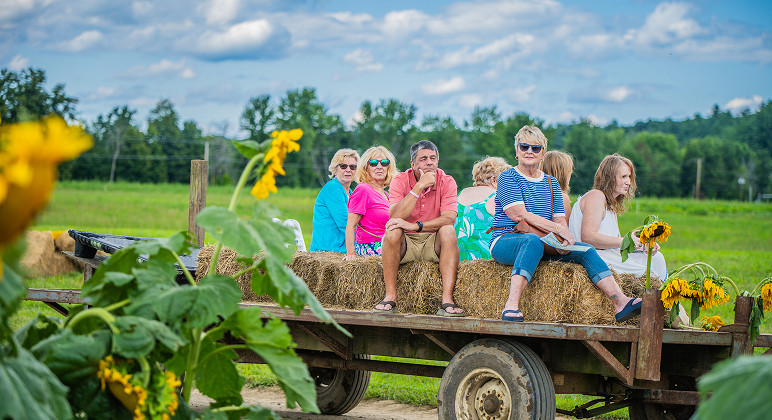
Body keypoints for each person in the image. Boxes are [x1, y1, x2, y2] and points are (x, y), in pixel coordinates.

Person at [489, 126, 642, 323]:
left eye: (535, 148)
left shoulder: (551, 183)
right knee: (531, 242)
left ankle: (621, 302)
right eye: (524, 146)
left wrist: (564, 237)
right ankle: (511, 305)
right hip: (506, 239)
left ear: (543, 153)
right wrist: (558, 229)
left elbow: (559, 219)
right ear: (516, 151)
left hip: (543, 241)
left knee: (585, 249)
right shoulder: (508, 177)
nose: (529, 151)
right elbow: (519, 215)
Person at [377, 140, 466, 316]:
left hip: (433, 242)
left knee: (448, 230)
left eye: (433, 158)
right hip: (406, 243)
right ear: (413, 164)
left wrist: (415, 225)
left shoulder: (447, 181)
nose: (429, 162)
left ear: (438, 161)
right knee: (393, 229)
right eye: (423, 159)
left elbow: (449, 218)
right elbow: (395, 216)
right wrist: (419, 186)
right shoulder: (400, 180)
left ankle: (447, 300)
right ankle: (390, 296)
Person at [568, 154, 667, 280]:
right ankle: (649, 299)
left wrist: (642, 246)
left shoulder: (611, 205)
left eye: (629, 177)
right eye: (624, 177)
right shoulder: (596, 196)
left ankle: (662, 298)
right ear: (609, 178)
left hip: (607, 253)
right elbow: (587, 237)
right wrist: (625, 240)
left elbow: (616, 243)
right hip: (592, 257)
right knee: (646, 272)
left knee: (656, 258)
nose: (629, 182)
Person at [343, 146, 397, 260]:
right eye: (373, 163)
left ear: (389, 167)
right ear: (366, 168)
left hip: (389, 243)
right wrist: (350, 254)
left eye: (384, 163)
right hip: (372, 247)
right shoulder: (363, 189)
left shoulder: (387, 195)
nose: (379, 167)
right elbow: (350, 225)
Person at [454, 156, 512, 261]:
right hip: (483, 260)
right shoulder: (495, 196)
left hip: (456, 258)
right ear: (493, 180)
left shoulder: (462, 192)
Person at [309, 149, 360, 253]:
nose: (348, 170)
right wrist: (369, 237)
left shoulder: (350, 192)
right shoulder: (332, 188)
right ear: (335, 169)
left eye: (352, 167)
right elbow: (345, 223)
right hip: (328, 249)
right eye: (343, 166)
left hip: (342, 246)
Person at [541, 150, 574, 219]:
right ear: (564, 175)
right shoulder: (562, 197)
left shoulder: (533, 192)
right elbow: (564, 227)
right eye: (570, 172)